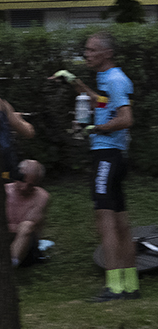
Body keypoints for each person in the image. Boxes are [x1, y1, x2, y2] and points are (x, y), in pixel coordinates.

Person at [50, 31, 137, 301]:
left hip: (107, 156)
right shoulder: (107, 79)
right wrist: (73, 81)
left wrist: (94, 129)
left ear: (107, 53)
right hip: (113, 156)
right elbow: (100, 102)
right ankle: (130, 285)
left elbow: (125, 119)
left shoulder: (115, 79)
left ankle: (114, 287)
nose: (86, 54)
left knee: (105, 221)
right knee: (120, 222)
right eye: (85, 50)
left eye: (91, 50)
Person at [5, 159, 50, 268]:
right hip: (2, 239)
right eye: (22, 181)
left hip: (27, 245)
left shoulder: (41, 197)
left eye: (30, 185)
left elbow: (29, 226)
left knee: (26, 226)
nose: (25, 187)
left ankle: (11, 263)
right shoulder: (4, 191)